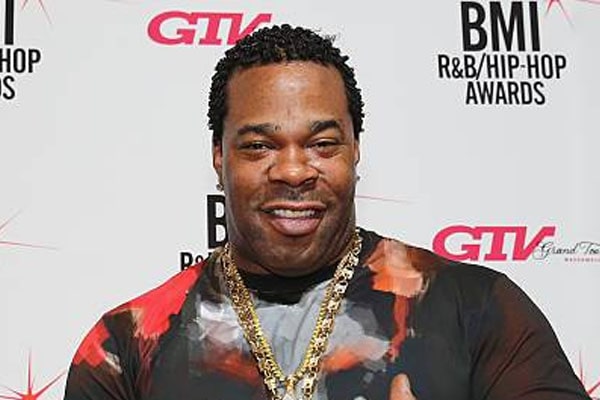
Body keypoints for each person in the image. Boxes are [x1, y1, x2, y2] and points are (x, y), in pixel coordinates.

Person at [63, 24, 590, 400]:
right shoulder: (126, 347)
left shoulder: (476, 309)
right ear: (219, 157)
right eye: (259, 146)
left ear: (355, 150)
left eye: (322, 143)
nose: (294, 171)